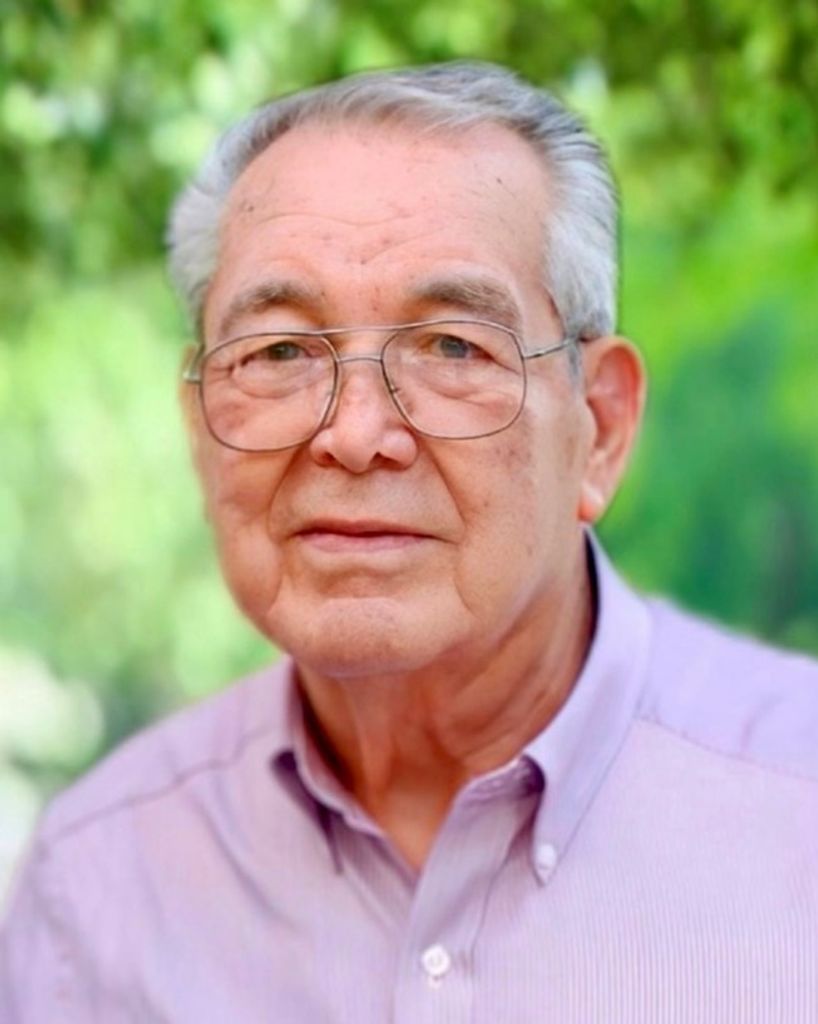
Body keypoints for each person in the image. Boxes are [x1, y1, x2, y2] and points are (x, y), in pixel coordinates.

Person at [2, 60, 817, 1023]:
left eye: (453, 347)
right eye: (280, 352)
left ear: (598, 427)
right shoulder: (96, 888)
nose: (353, 434)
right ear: (199, 428)